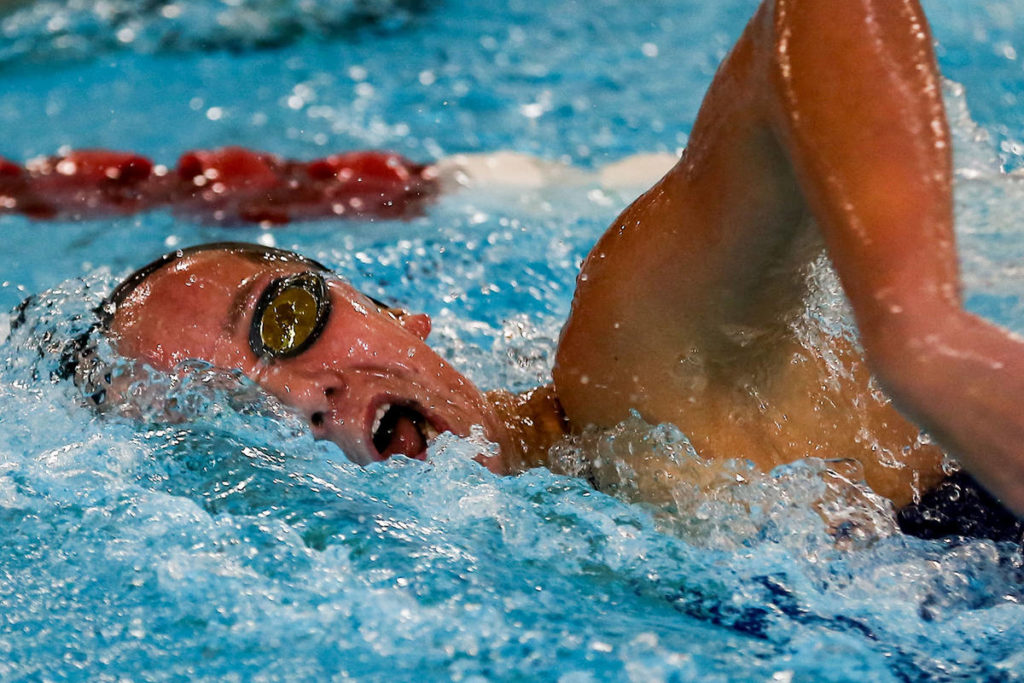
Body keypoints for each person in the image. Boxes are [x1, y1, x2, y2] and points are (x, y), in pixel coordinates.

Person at [77, 0, 1024, 521]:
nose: (301, 400)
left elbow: (816, 18)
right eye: (226, 416)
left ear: (399, 312)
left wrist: (922, 333)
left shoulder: (635, 373)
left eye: (282, 321)